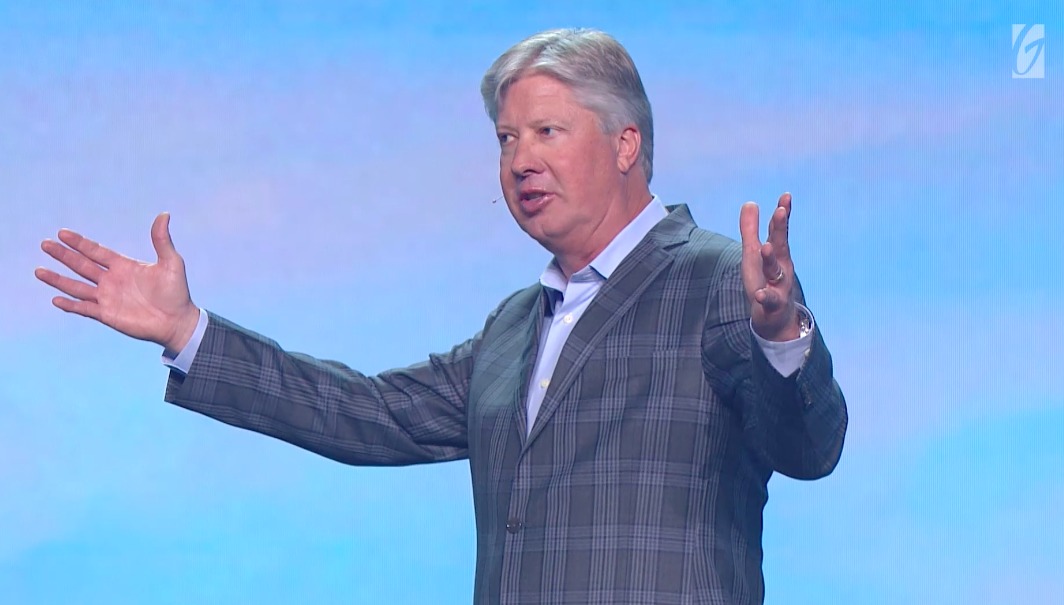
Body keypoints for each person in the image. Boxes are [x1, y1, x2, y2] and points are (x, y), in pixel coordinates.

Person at [36, 28, 847, 605]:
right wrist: (188, 332)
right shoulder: (515, 327)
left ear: (625, 143)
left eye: (547, 132)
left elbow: (808, 449)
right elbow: (366, 412)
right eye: (506, 139)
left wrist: (781, 337)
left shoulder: (717, 278)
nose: (520, 160)